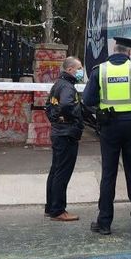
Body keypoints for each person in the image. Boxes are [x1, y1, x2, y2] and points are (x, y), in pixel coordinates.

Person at [82, 37, 131, 235]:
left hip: (109, 127)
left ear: (113, 49)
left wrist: (104, 106)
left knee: (108, 174)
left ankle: (104, 222)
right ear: (130, 51)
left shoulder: (100, 70)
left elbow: (88, 99)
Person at [44, 56, 85, 222]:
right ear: (70, 70)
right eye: (79, 68)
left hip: (59, 133)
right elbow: (68, 105)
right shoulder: (68, 87)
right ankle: (58, 210)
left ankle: (51, 207)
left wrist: (56, 119)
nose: (81, 71)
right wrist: (73, 120)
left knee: (55, 170)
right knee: (62, 173)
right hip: (67, 134)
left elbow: (48, 107)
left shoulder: (58, 85)